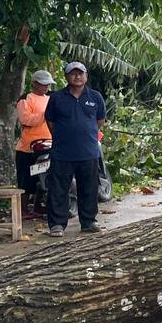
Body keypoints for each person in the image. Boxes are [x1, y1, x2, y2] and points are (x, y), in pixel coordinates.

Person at [43, 62, 106, 237]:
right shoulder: (57, 98)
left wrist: (85, 133)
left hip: (88, 152)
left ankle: (88, 222)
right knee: (58, 190)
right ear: (66, 77)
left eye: (80, 73)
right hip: (62, 153)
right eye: (73, 73)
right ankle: (57, 225)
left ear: (86, 76)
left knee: (89, 188)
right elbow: (50, 122)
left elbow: (100, 121)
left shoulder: (95, 97)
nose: (77, 76)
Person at [16, 69, 54, 218]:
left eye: (48, 84)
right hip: (28, 148)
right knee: (26, 180)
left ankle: (38, 206)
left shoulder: (50, 98)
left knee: (42, 178)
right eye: (44, 84)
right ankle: (24, 210)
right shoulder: (25, 99)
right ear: (34, 83)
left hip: (47, 145)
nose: (46, 87)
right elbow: (26, 119)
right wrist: (45, 114)